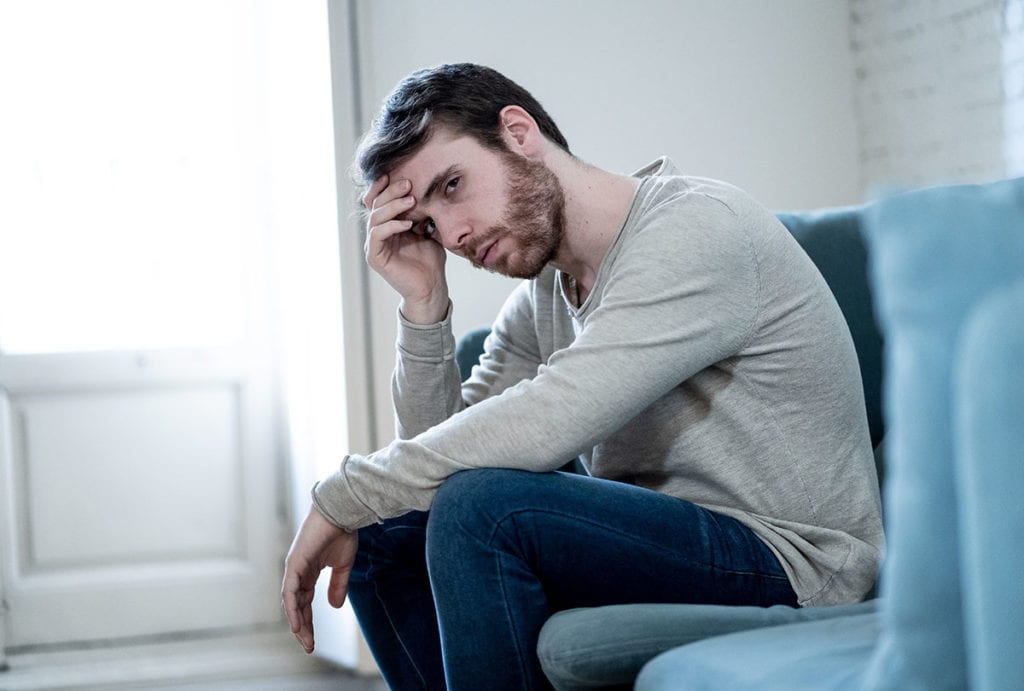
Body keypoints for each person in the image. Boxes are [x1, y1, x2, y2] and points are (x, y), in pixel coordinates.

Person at [281, 63, 884, 690]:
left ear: (518, 133)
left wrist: (346, 490)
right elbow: (441, 468)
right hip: (665, 542)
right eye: (429, 224)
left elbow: (546, 422)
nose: (453, 234)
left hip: (791, 559)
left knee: (482, 509)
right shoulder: (544, 294)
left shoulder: (696, 230)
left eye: (453, 185)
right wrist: (425, 304)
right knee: (389, 529)